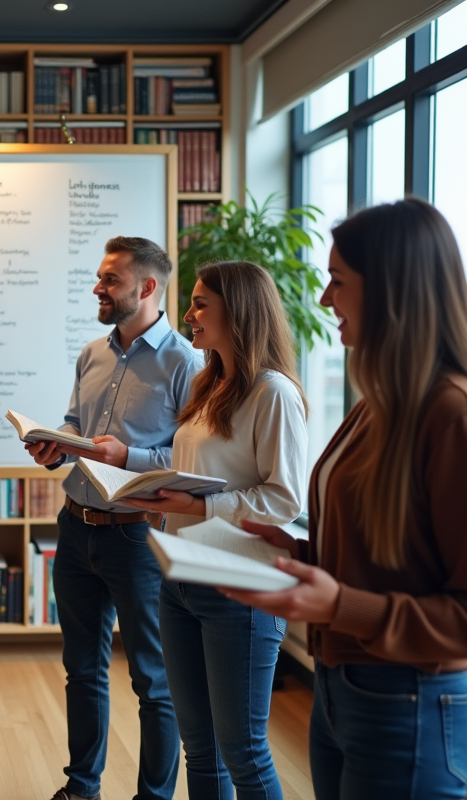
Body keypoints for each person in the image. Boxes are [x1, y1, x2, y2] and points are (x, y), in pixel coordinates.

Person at [226, 198, 467, 800]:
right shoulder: (376, 406)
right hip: (344, 692)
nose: (323, 300)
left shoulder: (459, 420)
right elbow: (393, 559)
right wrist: (301, 555)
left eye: (338, 281)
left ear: (392, 290)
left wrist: (340, 605)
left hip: (410, 706)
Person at [122, 261, 307, 800]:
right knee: (199, 750)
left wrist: (199, 507)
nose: (188, 314)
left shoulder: (274, 393)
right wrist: (155, 498)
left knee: (243, 754)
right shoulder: (210, 384)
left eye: (202, 303)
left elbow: (284, 499)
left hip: (240, 589)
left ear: (240, 311)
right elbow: (198, 478)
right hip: (181, 580)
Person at [26, 236, 202, 800]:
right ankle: (81, 787)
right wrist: (59, 445)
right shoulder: (92, 353)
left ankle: (153, 796)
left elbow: (191, 459)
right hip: (76, 528)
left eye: (110, 281)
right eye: (100, 278)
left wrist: (125, 456)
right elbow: (75, 423)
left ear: (147, 288)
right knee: (82, 670)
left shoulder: (187, 363)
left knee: (153, 682)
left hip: (138, 538)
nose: (98, 289)